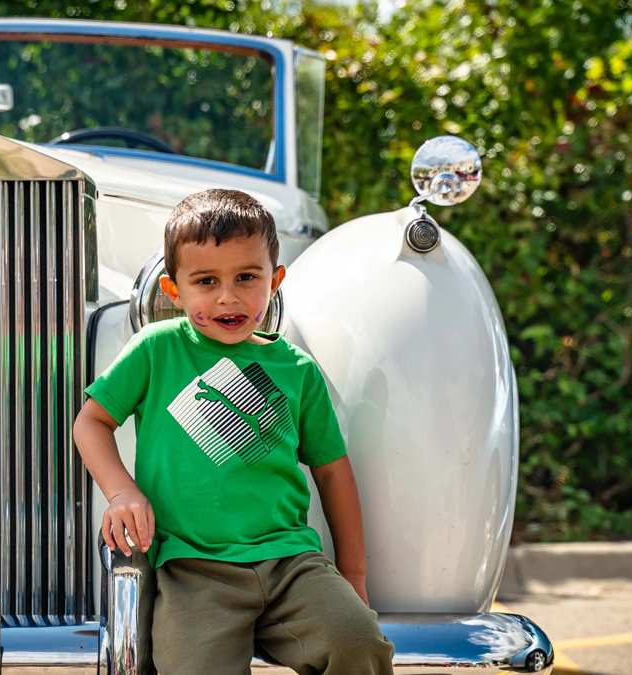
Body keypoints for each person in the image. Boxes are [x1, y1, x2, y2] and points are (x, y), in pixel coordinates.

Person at [72, 189, 395, 675]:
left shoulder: (297, 369)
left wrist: (352, 574)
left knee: (359, 641)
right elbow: (91, 422)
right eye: (206, 281)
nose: (228, 296)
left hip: (292, 564)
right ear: (174, 289)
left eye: (247, 277)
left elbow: (333, 472)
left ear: (275, 279)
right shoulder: (157, 349)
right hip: (193, 569)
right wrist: (121, 493)